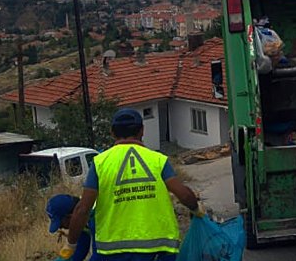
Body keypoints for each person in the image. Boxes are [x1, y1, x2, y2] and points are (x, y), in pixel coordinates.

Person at [59, 108, 203, 261]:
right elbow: (184, 194)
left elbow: (83, 209)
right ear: (142, 131)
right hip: (158, 250)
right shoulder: (157, 160)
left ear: (112, 133)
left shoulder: (100, 164)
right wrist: (196, 209)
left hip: (114, 252)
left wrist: (71, 244)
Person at [46, 194, 100, 261]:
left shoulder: (95, 220)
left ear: (70, 216)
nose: (61, 228)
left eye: (61, 224)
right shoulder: (82, 224)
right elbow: (80, 250)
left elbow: (100, 256)